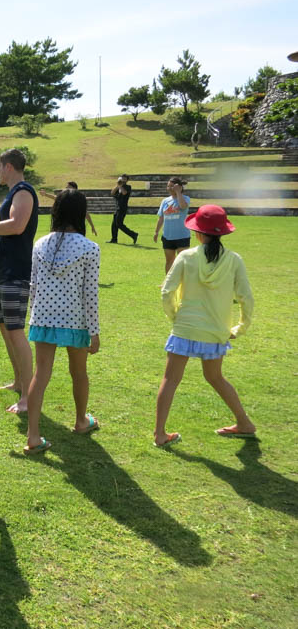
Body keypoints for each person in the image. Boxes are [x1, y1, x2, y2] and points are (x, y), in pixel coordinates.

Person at [154, 205, 255, 448]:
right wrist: (240, 328)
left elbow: (167, 292)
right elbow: (246, 298)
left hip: (185, 328)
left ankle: (159, 434)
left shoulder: (186, 256)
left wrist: (175, 316)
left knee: (170, 380)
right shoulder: (234, 260)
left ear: (198, 233)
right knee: (215, 377)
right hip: (215, 331)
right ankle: (244, 423)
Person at [21, 189, 101, 455]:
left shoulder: (40, 244)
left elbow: (33, 285)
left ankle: (33, 435)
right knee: (79, 372)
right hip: (75, 320)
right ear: (81, 213)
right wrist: (95, 331)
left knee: (40, 375)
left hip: (43, 317)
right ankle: (81, 421)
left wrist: (35, 314)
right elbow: (90, 293)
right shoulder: (90, 248)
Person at [0, 149, 39, 413]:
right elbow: (5, 235)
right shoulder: (12, 194)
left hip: (16, 273)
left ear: (9, 166)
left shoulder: (23, 191)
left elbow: (17, 226)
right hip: (3, 271)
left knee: (15, 331)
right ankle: (18, 382)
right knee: (6, 329)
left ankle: (27, 396)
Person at [154, 177, 191, 274]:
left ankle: (183, 283)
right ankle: (168, 283)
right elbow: (161, 218)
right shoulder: (165, 201)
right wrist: (156, 232)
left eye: (172, 186)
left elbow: (183, 206)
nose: (169, 188)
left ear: (179, 187)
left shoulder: (186, 198)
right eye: (168, 186)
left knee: (182, 262)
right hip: (168, 236)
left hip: (182, 236)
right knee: (169, 261)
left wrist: (178, 192)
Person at [108, 175, 138, 245]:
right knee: (114, 225)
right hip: (117, 208)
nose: (123, 180)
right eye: (122, 179)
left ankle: (133, 234)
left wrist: (120, 186)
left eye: (124, 179)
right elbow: (112, 193)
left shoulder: (128, 187)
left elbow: (124, 193)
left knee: (119, 224)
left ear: (127, 180)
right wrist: (117, 185)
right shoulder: (118, 187)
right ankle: (114, 239)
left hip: (122, 208)